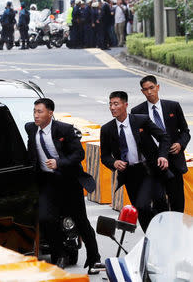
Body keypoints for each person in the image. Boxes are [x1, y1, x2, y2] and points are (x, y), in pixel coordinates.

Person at [25, 98, 100, 273]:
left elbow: (79, 154)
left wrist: (59, 163)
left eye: (40, 111)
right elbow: (31, 153)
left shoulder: (64, 129)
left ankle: (94, 258)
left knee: (80, 221)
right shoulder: (30, 128)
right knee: (46, 219)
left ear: (50, 113)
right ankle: (59, 255)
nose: (36, 115)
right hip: (48, 182)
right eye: (34, 111)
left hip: (68, 182)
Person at [100, 91, 171, 232]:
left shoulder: (141, 120)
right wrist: (114, 163)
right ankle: (150, 237)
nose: (112, 108)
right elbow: (105, 156)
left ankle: (163, 232)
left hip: (149, 169)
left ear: (125, 105)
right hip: (130, 173)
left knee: (151, 203)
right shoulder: (107, 129)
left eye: (116, 104)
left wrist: (162, 155)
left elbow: (164, 137)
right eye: (110, 104)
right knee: (140, 209)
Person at [131, 76, 190, 213]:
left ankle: (177, 232)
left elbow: (185, 131)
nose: (149, 92)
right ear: (142, 92)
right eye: (146, 90)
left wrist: (180, 144)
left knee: (177, 202)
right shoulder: (137, 112)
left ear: (158, 87)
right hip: (153, 164)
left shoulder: (173, 106)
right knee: (159, 203)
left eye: (152, 88)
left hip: (174, 161)